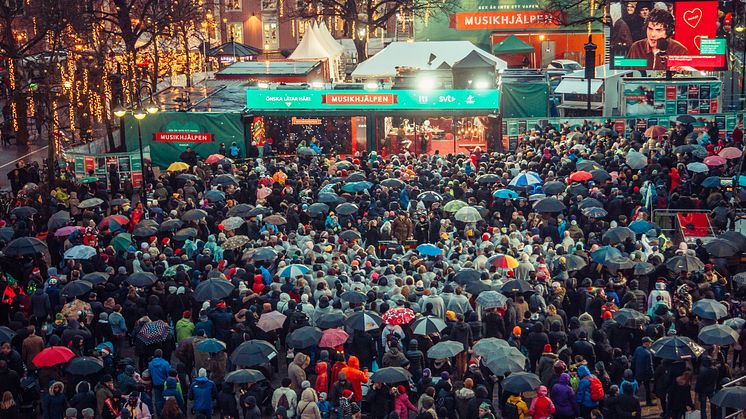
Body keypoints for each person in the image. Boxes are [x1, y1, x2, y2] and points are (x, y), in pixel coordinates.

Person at [631, 337, 654, 405]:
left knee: (636, 388)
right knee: (647, 388)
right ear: (646, 343)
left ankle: (632, 400)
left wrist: (633, 370)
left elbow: (633, 360)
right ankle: (649, 402)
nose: (650, 344)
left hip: (638, 372)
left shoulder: (638, 349)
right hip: (645, 374)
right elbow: (649, 366)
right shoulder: (648, 353)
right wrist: (652, 375)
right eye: (650, 342)